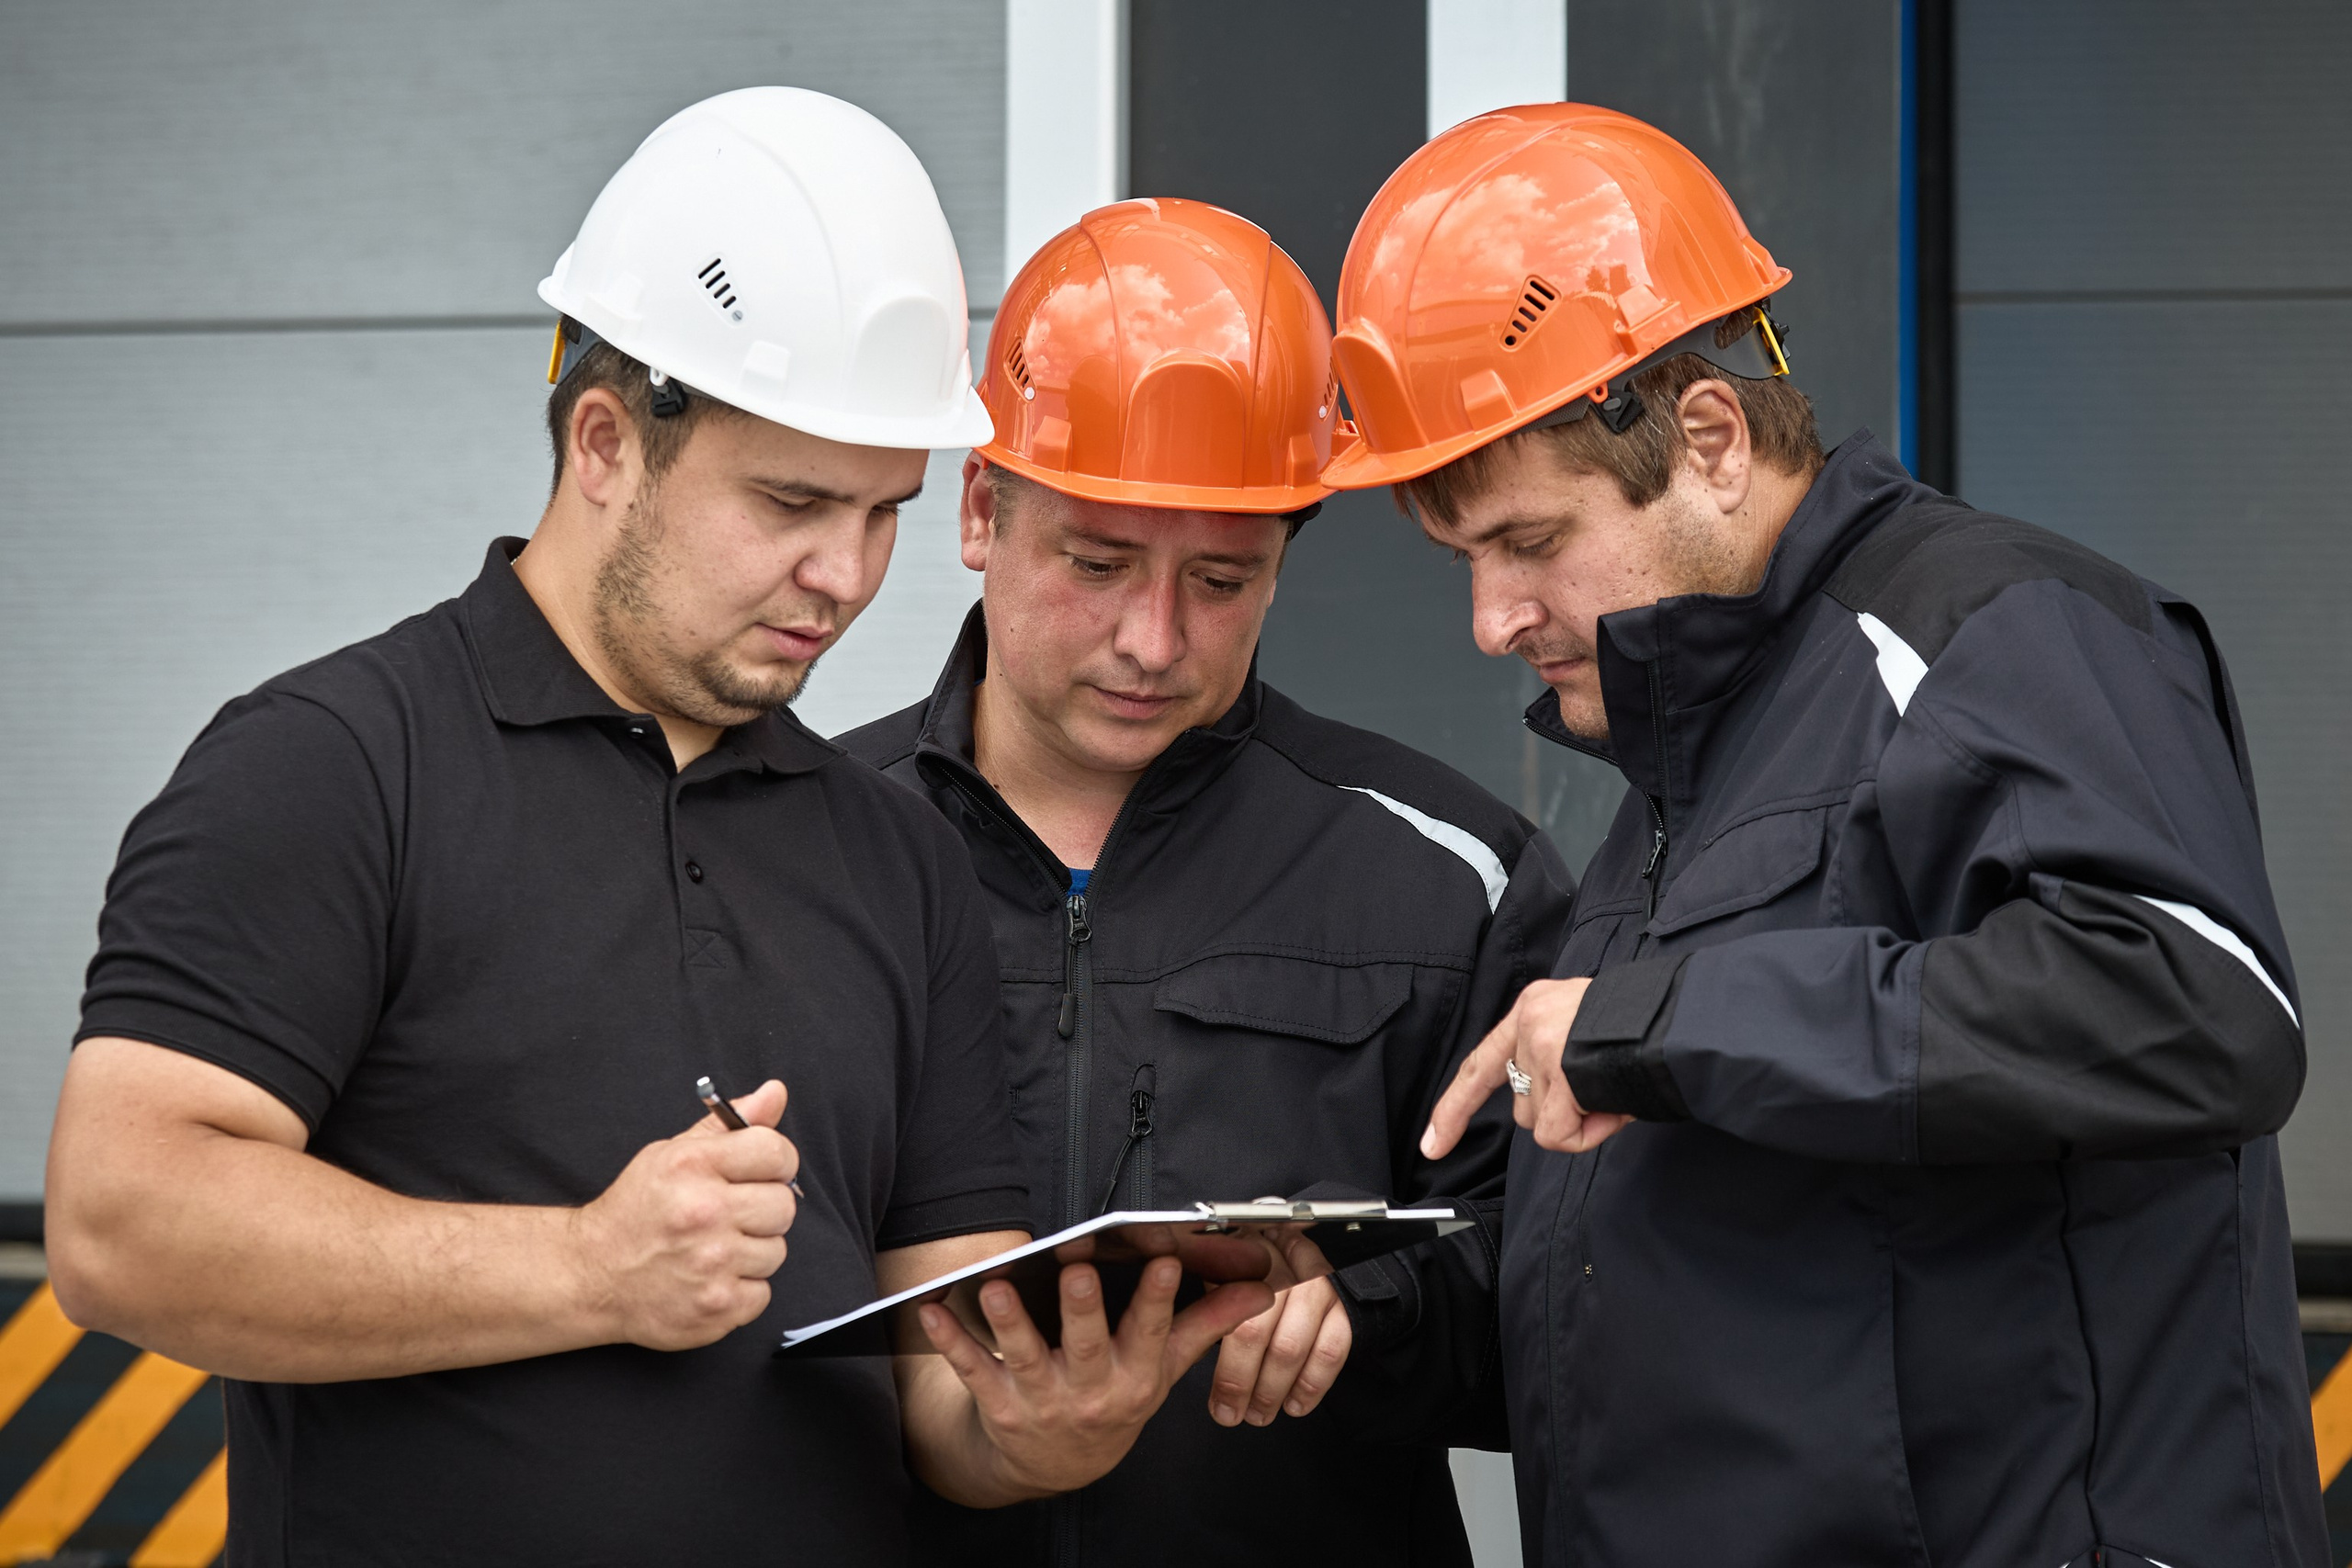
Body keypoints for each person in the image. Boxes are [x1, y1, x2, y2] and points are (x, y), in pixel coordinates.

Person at [43, 89, 1283, 1567]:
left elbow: (949, 1390)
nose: (845, 575)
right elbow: (121, 1225)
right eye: (791, 502)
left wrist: (1043, 1427)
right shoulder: (331, 766)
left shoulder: (895, 859)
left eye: (884, 512)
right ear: (605, 442)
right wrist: (586, 1270)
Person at [1326, 105, 2326, 1566]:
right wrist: (1352, 1320)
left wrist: (1665, 1024)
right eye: (1463, 563)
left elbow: (2202, 1005)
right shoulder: (1689, 785)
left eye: (1530, 544)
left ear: (1712, 440)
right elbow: (1679, 1287)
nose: (1492, 622)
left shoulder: (1997, 634)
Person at [837, 197, 1573, 1566]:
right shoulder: (802, 850)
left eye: (1222, 581)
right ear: (983, 511)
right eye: (1099, 564)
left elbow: (1575, 1296)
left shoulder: (1448, 877)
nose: (1153, 638)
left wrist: (1375, 1309)